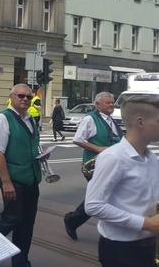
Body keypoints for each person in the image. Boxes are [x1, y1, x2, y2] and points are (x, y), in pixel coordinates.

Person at [85, 95, 159, 267]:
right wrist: (146, 223)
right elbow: (93, 205)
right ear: (140, 122)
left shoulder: (152, 158)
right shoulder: (114, 157)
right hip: (121, 250)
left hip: (148, 244)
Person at [0, 84, 44, 267]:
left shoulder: (30, 118)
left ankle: (20, 261)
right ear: (11, 97)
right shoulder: (3, 118)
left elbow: (30, 144)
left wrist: (41, 155)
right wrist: (6, 182)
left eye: (29, 96)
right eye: (21, 96)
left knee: (27, 222)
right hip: (12, 177)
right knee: (11, 218)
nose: (25, 99)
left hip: (31, 176)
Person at [64, 92, 122, 241]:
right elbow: (77, 139)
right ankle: (73, 219)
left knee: (105, 197)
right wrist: (99, 148)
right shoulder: (90, 119)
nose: (111, 105)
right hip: (95, 165)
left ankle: (74, 220)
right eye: (108, 102)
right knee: (100, 197)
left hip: (112, 165)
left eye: (112, 102)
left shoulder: (111, 120)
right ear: (98, 105)